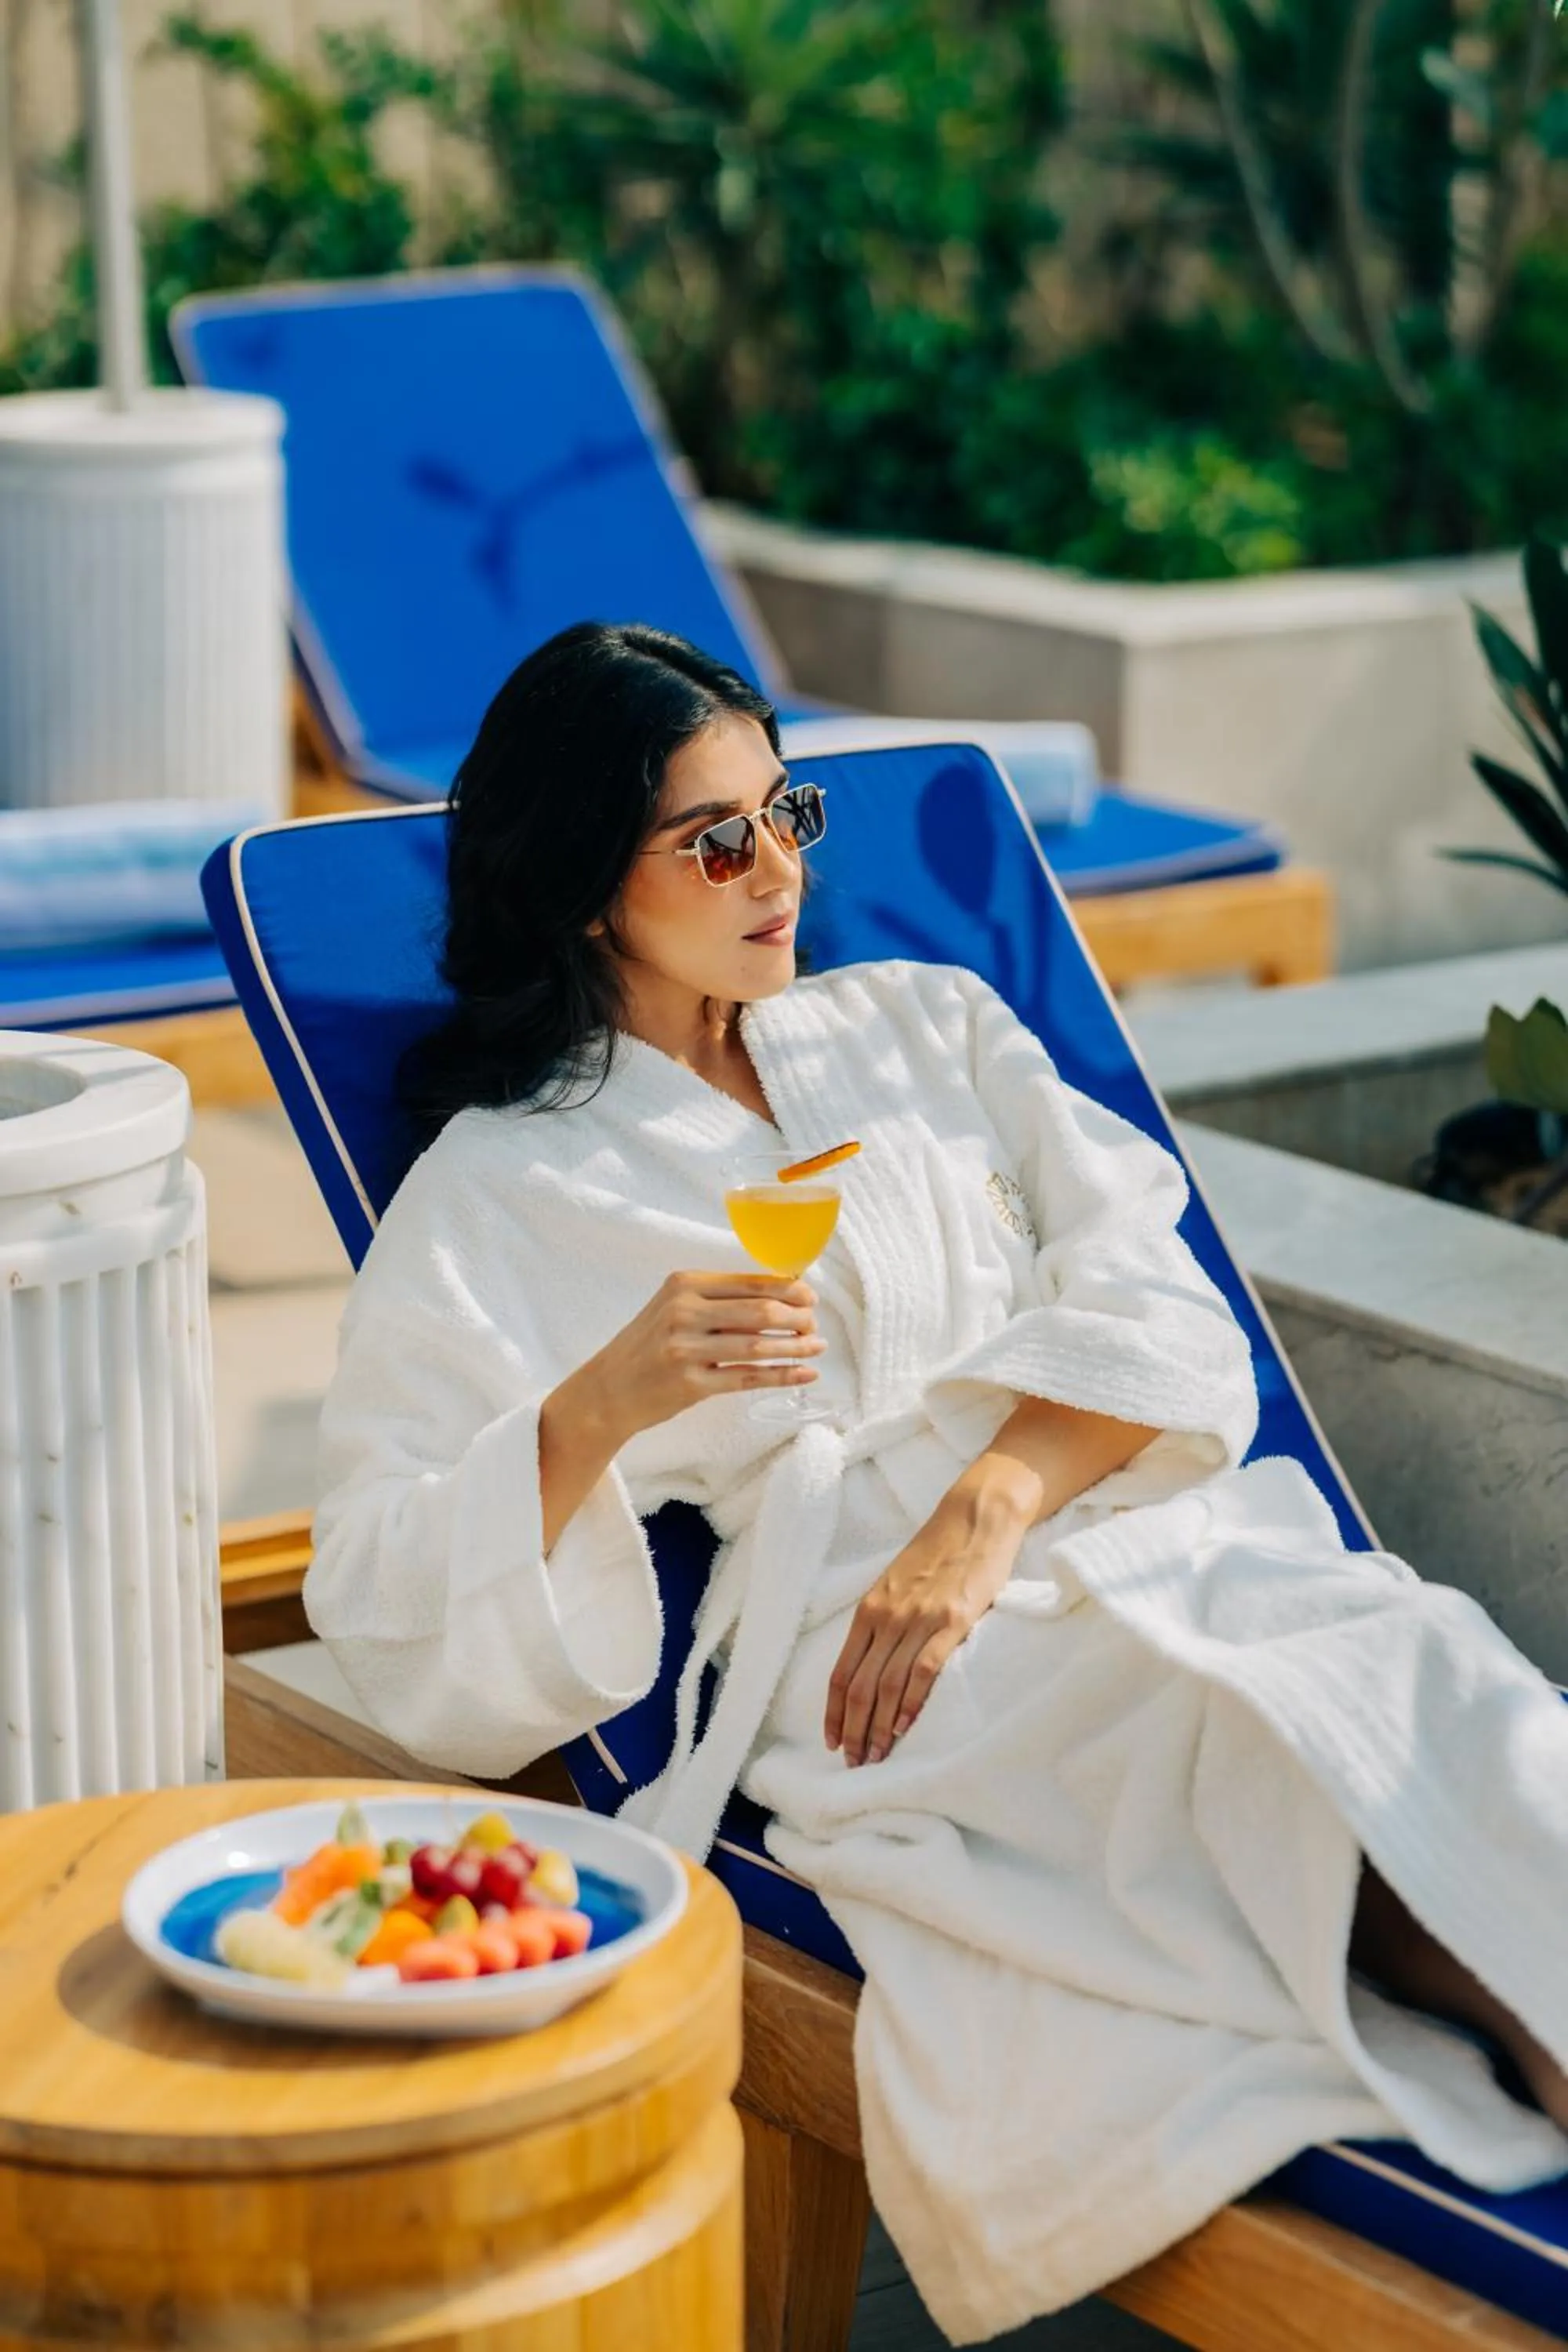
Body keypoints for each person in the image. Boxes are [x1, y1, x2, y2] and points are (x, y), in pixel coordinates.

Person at [310, 620, 1568, 2345]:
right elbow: (379, 1587)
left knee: (1422, 1670)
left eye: (785, 815)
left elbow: (1155, 1293)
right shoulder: (502, 1185)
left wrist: (988, 1508)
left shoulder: (927, 1022)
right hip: (877, 1664)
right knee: (1233, 1737)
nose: (775, 875)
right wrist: (596, 1406)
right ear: (589, 887)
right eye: (712, 840)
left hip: (1116, 1526)